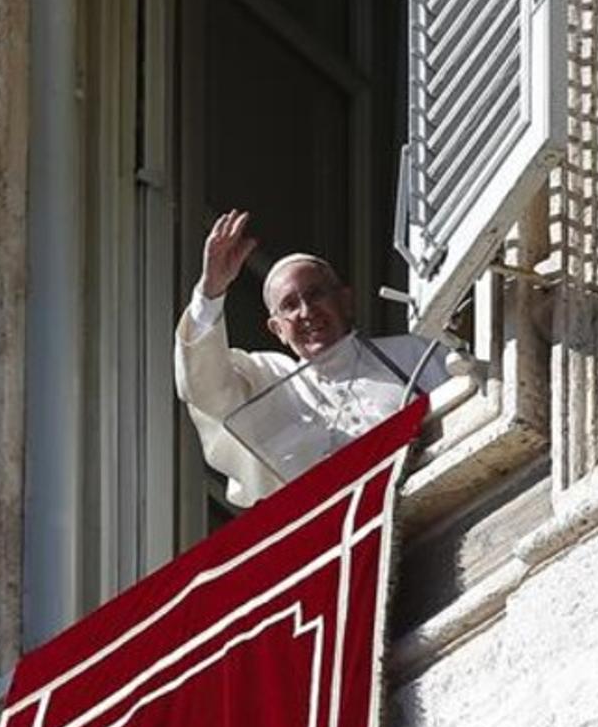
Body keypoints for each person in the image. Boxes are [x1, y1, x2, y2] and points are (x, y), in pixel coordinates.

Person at [174, 209, 448, 506]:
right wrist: (210, 292)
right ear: (277, 329)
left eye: (316, 294)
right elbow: (204, 386)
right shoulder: (269, 379)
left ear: (345, 300)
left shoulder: (415, 354)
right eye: (289, 305)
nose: (306, 312)